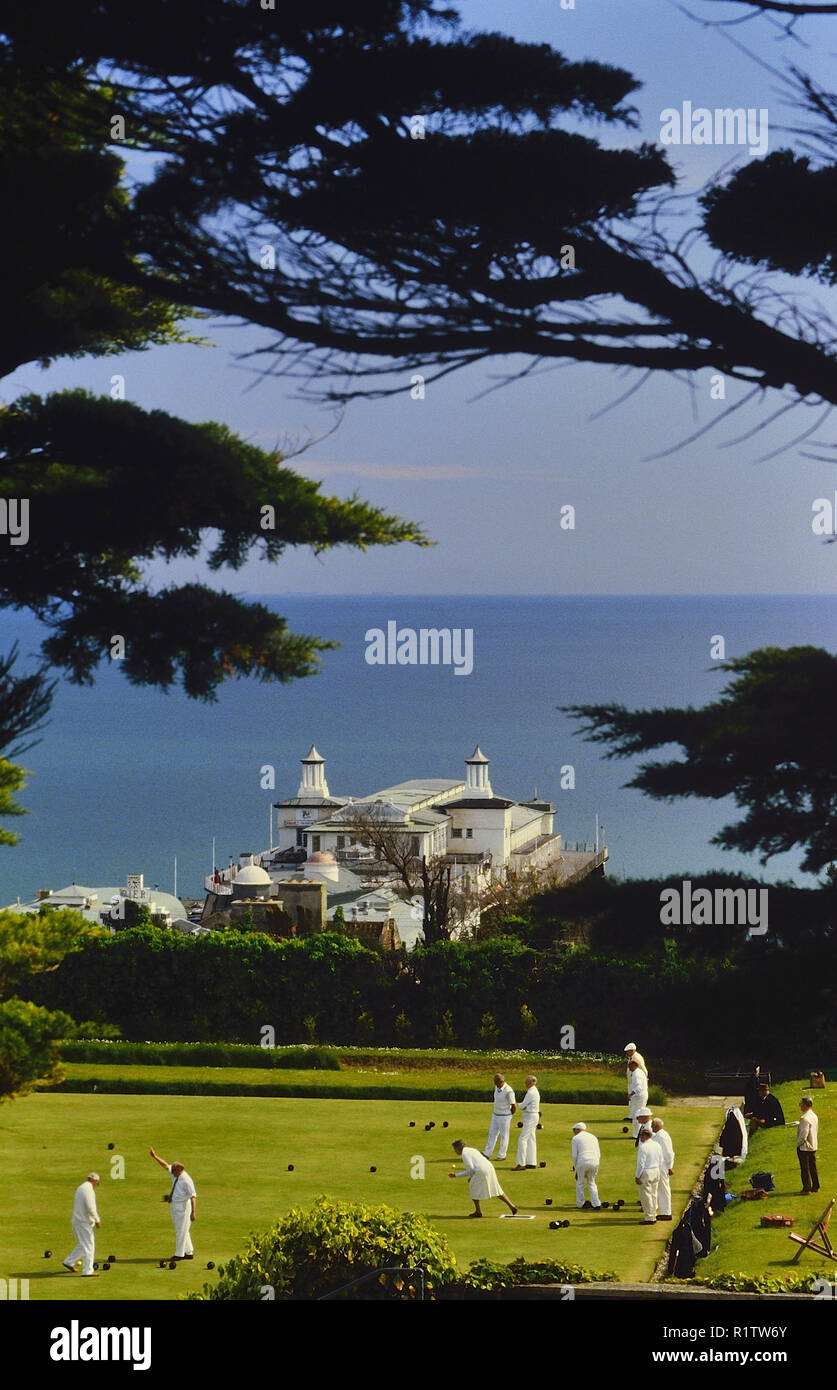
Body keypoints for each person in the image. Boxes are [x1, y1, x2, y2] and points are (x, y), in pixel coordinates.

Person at [448, 1140, 517, 1217]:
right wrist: (472, 1177)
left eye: (454, 1149)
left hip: (481, 1170)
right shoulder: (471, 1149)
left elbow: (471, 1169)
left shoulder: (464, 1154)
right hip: (489, 1167)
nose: (454, 1151)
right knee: (495, 1188)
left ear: (458, 1148)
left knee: (473, 1188)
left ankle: (478, 1212)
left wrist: (456, 1175)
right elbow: (475, 1166)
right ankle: (512, 1206)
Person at [149, 1146, 197, 1258]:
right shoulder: (175, 1173)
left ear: (180, 1170)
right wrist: (155, 1156)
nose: (172, 1173)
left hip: (184, 1207)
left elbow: (193, 1196)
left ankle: (179, 1254)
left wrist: (193, 1212)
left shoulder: (186, 1180)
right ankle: (189, 1251)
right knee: (182, 1229)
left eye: (174, 1171)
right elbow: (166, 1166)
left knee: (181, 1230)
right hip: (175, 1205)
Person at [63, 1172, 101, 1277]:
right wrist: (97, 1220)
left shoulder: (81, 1188)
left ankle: (69, 1262)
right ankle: (88, 1271)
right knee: (89, 1245)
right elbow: (91, 1207)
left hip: (76, 1220)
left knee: (83, 1244)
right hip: (83, 1222)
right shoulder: (89, 1190)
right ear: (95, 1181)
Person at [483, 1072, 516, 1161]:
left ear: (501, 1081)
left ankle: (502, 1155)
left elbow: (513, 1105)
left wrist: (509, 1115)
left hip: (505, 1116)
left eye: (496, 1082)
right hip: (495, 1114)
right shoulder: (496, 1087)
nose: (495, 1084)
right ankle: (487, 1153)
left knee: (504, 1136)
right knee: (492, 1134)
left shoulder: (509, 1091)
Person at [571, 1122, 603, 1210]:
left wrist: (576, 1168)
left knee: (580, 1182)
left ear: (577, 1130)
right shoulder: (593, 1137)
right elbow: (598, 1153)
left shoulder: (575, 1138)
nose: (573, 1132)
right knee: (592, 1182)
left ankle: (580, 1204)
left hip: (582, 1161)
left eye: (574, 1130)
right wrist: (597, 1164)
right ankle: (596, 1203)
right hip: (595, 1161)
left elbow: (574, 1155)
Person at [635, 1126, 663, 1224]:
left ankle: (650, 1218)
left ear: (644, 1136)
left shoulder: (643, 1147)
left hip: (646, 1172)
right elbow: (661, 1160)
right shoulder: (657, 1145)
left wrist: (637, 1176)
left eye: (641, 1136)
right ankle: (653, 1214)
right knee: (653, 1194)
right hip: (656, 1170)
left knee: (646, 1196)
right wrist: (659, 1172)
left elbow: (641, 1163)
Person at [513, 1074, 540, 1170]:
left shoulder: (531, 1092)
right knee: (531, 1138)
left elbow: (523, 1105)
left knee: (522, 1139)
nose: (525, 1084)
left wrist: (517, 1104)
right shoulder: (532, 1091)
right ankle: (531, 1162)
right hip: (531, 1115)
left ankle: (521, 1163)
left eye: (527, 1082)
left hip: (530, 1116)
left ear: (531, 1082)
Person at [651, 1117, 675, 1221]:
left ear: (656, 1126)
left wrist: (669, 1167)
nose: (651, 1127)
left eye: (652, 1125)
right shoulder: (659, 1135)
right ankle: (659, 1209)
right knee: (658, 1189)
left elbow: (669, 1153)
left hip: (662, 1166)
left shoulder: (662, 1137)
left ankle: (666, 1213)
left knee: (663, 1189)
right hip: (659, 1166)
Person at [796, 1096, 820, 1195]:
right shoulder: (813, 1116)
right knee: (813, 1167)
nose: (800, 1105)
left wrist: (798, 1144)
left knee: (805, 1169)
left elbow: (803, 1135)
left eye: (801, 1104)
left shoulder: (805, 1118)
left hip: (805, 1147)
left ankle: (806, 1188)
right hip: (813, 1145)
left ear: (805, 1105)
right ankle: (815, 1186)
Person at [628, 1061, 649, 1138]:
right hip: (640, 1097)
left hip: (639, 1097)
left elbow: (639, 1087)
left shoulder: (637, 1074)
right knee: (638, 1115)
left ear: (634, 1065)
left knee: (636, 1116)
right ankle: (639, 1133)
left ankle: (637, 1135)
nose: (628, 1067)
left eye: (630, 1065)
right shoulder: (639, 1072)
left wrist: (631, 1094)